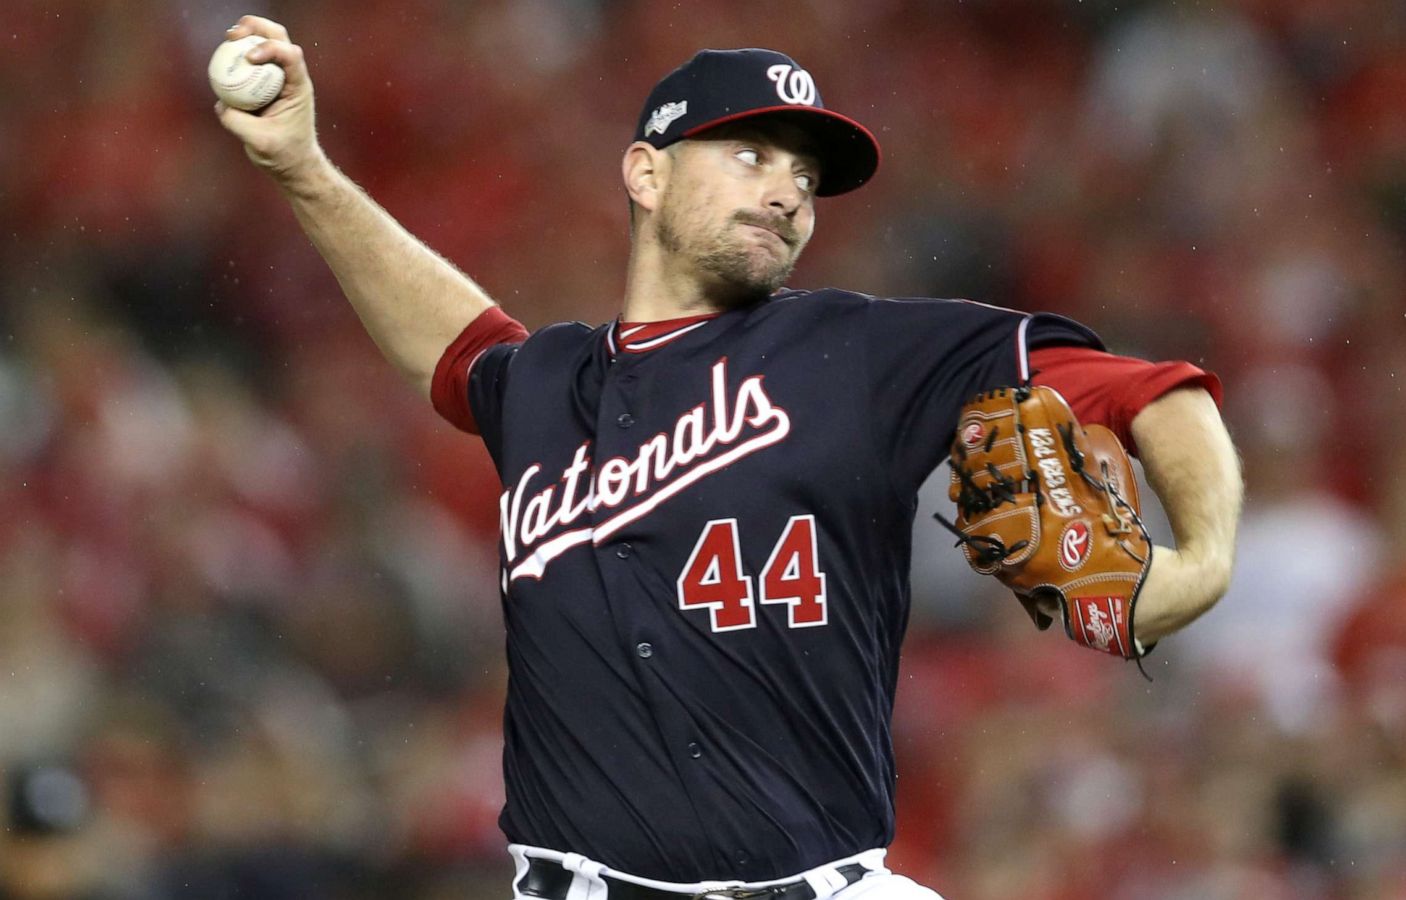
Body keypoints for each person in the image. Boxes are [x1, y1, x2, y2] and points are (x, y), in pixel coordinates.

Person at [214, 15, 1243, 900]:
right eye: (749, 154)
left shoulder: (862, 351)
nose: (789, 191)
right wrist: (303, 170)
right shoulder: (544, 386)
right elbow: (457, 348)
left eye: (803, 175)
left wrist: (1199, 562)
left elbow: (1152, 391)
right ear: (645, 173)